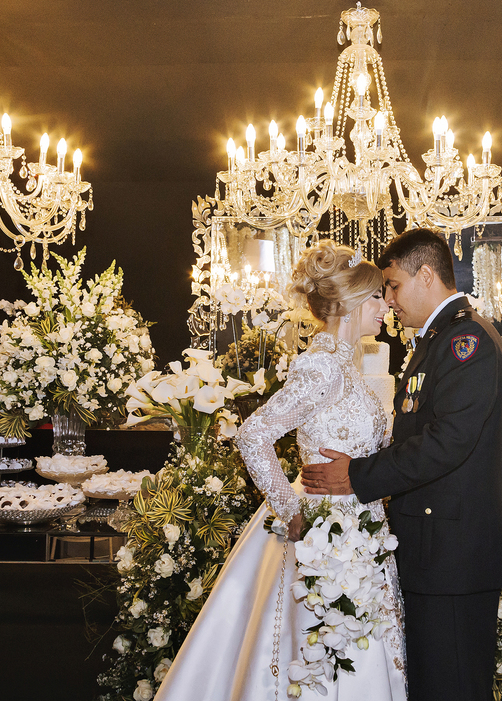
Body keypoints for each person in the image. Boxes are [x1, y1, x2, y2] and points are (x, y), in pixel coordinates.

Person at [155, 240, 406, 701]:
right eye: (375, 296)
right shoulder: (322, 367)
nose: (386, 304)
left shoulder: (346, 367)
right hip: (325, 533)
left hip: (359, 527)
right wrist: (290, 509)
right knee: (324, 648)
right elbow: (252, 435)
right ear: (349, 303)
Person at [301, 227, 502, 701]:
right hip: (434, 551)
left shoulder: (466, 340)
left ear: (425, 275)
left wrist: (357, 476)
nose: (390, 299)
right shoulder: (437, 338)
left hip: (452, 556)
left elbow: (447, 442)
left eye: (393, 286)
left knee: (453, 686)